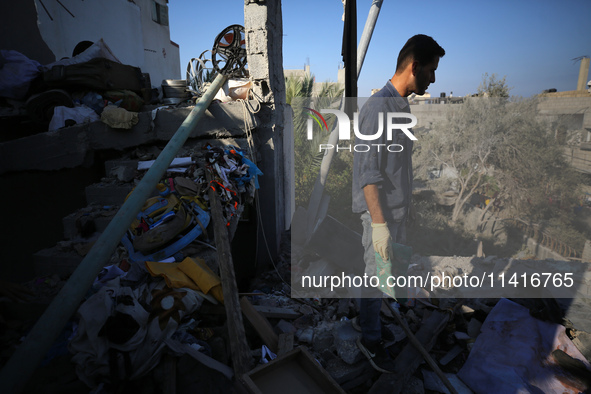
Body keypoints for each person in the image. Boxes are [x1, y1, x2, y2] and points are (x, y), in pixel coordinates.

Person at [352, 34, 445, 373]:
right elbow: (368, 174)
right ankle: (370, 340)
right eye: (431, 71)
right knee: (374, 277)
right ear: (414, 66)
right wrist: (379, 225)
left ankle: (378, 323)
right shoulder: (378, 108)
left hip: (396, 212)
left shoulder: (400, 105)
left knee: (389, 274)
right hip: (380, 215)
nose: (434, 79)